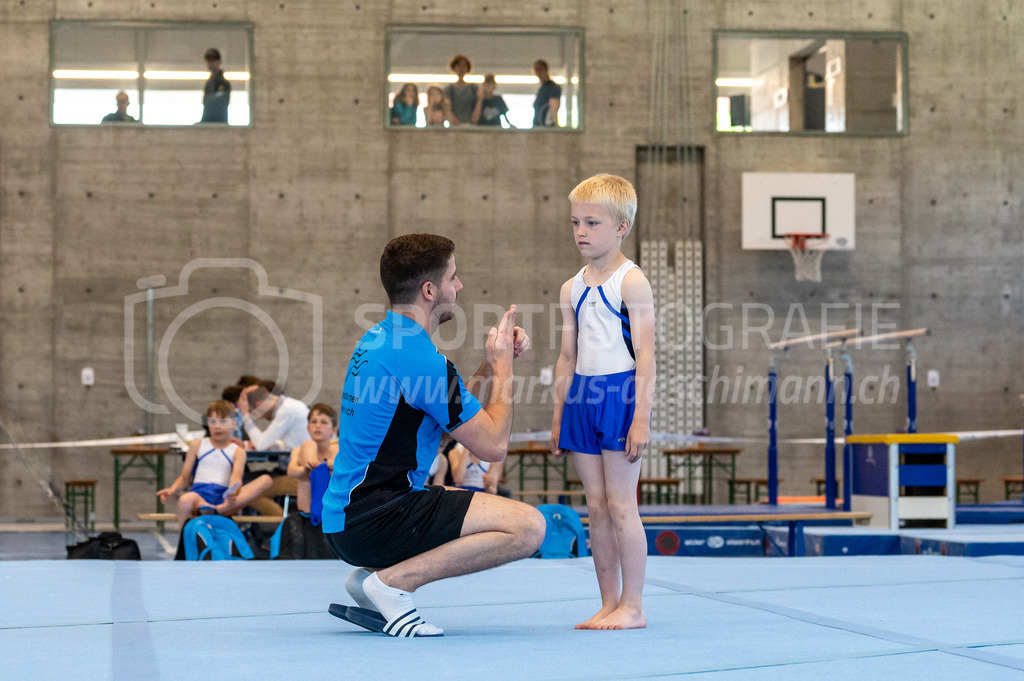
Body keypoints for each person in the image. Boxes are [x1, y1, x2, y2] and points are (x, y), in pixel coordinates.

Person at [321, 233, 545, 637]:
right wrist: (506, 373)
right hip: (377, 517)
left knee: (477, 507)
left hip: (348, 518)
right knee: (528, 527)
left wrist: (496, 363)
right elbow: (492, 446)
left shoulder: (382, 339)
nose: (458, 286)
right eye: (453, 278)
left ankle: (376, 579)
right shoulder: (419, 358)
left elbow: (455, 414)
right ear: (430, 290)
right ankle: (394, 582)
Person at [550, 173, 656, 631]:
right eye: (576, 222)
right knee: (594, 506)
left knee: (620, 505)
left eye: (592, 222)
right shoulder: (570, 288)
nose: (581, 232)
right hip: (581, 397)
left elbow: (648, 356)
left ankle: (633, 605)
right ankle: (608, 602)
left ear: (621, 227)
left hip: (620, 393)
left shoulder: (631, 283)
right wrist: (558, 417)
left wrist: (641, 419)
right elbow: (566, 356)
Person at [157, 400, 274, 529]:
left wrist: (233, 492)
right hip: (199, 493)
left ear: (234, 424)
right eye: (213, 422)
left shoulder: (237, 451)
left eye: (223, 421)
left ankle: (219, 509)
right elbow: (184, 478)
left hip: (225, 497)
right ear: (208, 424)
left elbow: (236, 477)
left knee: (266, 480)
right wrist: (172, 490)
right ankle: (185, 540)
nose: (217, 426)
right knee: (185, 500)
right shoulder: (197, 445)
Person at [277, 403, 340, 559]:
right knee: (308, 445)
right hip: (305, 514)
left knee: (335, 451)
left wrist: (332, 465)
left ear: (334, 430)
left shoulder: (336, 450)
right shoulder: (300, 450)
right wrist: (304, 468)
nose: (318, 426)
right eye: (313, 422)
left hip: (329, 515)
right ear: (307, 428)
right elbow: (291, 471)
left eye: (324, 422)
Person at [238, 384, 310, 451]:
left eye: (251, 412)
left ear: (260, 404)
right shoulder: (289, 405)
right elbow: (288, 443)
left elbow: (261, 445)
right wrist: (248, 444)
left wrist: (245, 415)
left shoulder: (287, 410)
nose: (257, 417)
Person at [444, 54, 479, 125]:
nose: (461, 68)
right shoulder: (449, 89)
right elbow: (447, 107)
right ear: (454, 68)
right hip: (454, 125)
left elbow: (477, 105)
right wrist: (453, 119)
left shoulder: (474, 88)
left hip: (470, 125)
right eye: (459, 65)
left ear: (467, 68)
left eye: (464, 66)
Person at [200, 47, 231, 123]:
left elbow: (216, 106)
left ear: (219, 61)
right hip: (209, 122)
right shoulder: (209, 82)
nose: (211, 63)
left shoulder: (223, 83)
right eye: (209, 60)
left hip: (219, 123)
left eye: (214, 59)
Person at [532, 59, 562, 128]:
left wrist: (557, 126)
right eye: (536, 69)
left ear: (546, 70)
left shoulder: (553, 87)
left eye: (540, 69)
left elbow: (553, 108)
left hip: (546, 127)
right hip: (537, 127)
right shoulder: (542, 89)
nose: (538, 72)